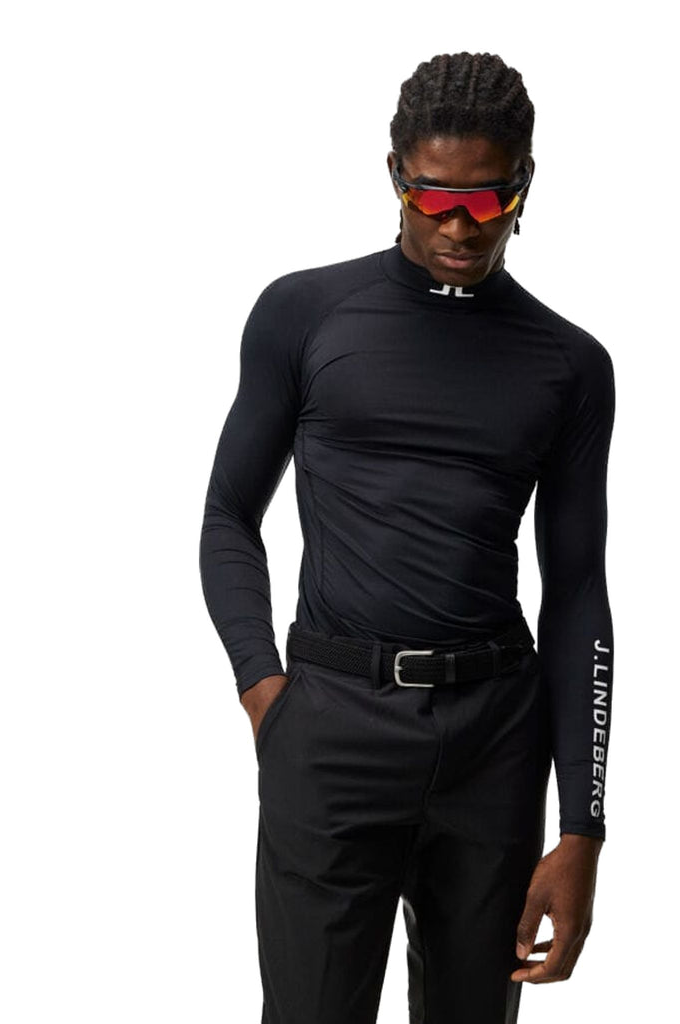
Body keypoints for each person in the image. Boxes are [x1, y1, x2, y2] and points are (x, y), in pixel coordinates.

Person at [199, 51, 616, 1024]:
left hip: (494, 742)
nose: (459, 226)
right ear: (395, 175)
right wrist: (265, 689)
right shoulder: (303, 315)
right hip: (332, 724)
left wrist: (582, 828)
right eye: (435, 197)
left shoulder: (570, 364)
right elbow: (228, 515)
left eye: (487, 199)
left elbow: (577, 590)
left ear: (524, 185)